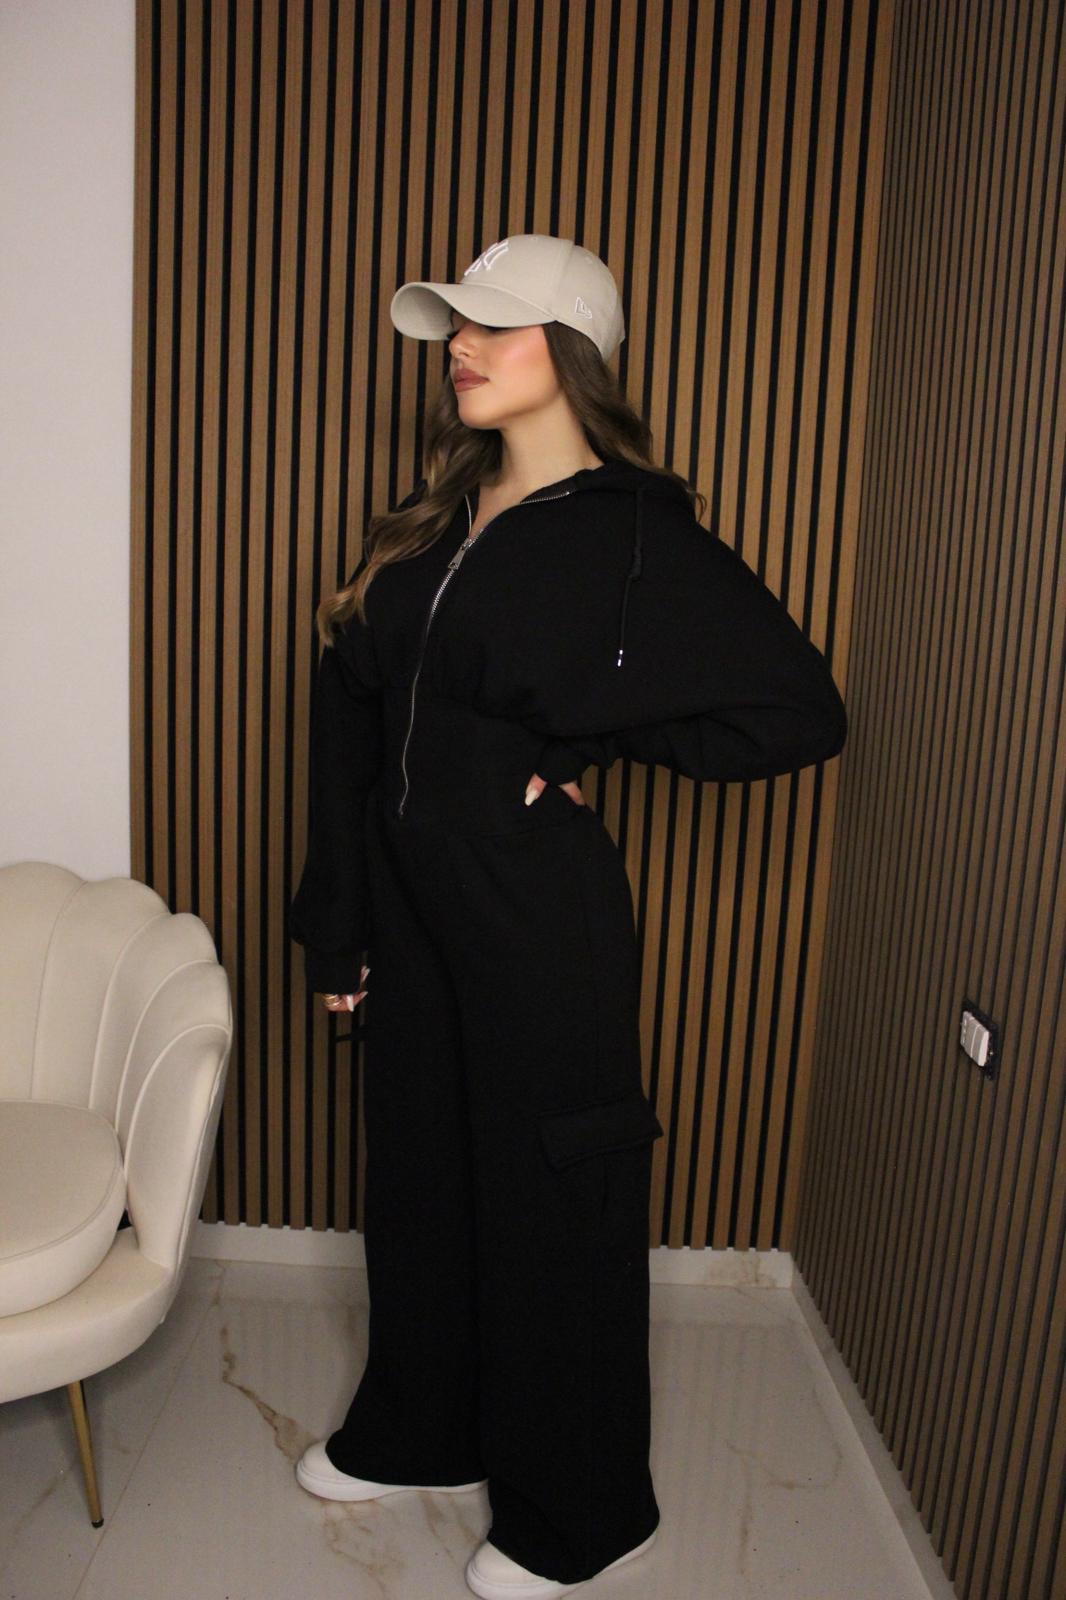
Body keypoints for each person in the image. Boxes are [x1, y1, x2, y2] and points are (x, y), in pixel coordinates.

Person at [288, 235, 848, 1599]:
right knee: (419, 1176)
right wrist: (337, 922)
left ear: (576, 352)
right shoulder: (430, 520)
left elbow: (797, 712)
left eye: (495, 326)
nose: (461, 349)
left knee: (554, 1199)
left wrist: (579, 744)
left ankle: (585, 1511)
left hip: (537, 911)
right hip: (409, 910)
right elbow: (348, 718)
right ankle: (422, 1432)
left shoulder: (635, 532)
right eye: (455, 328)